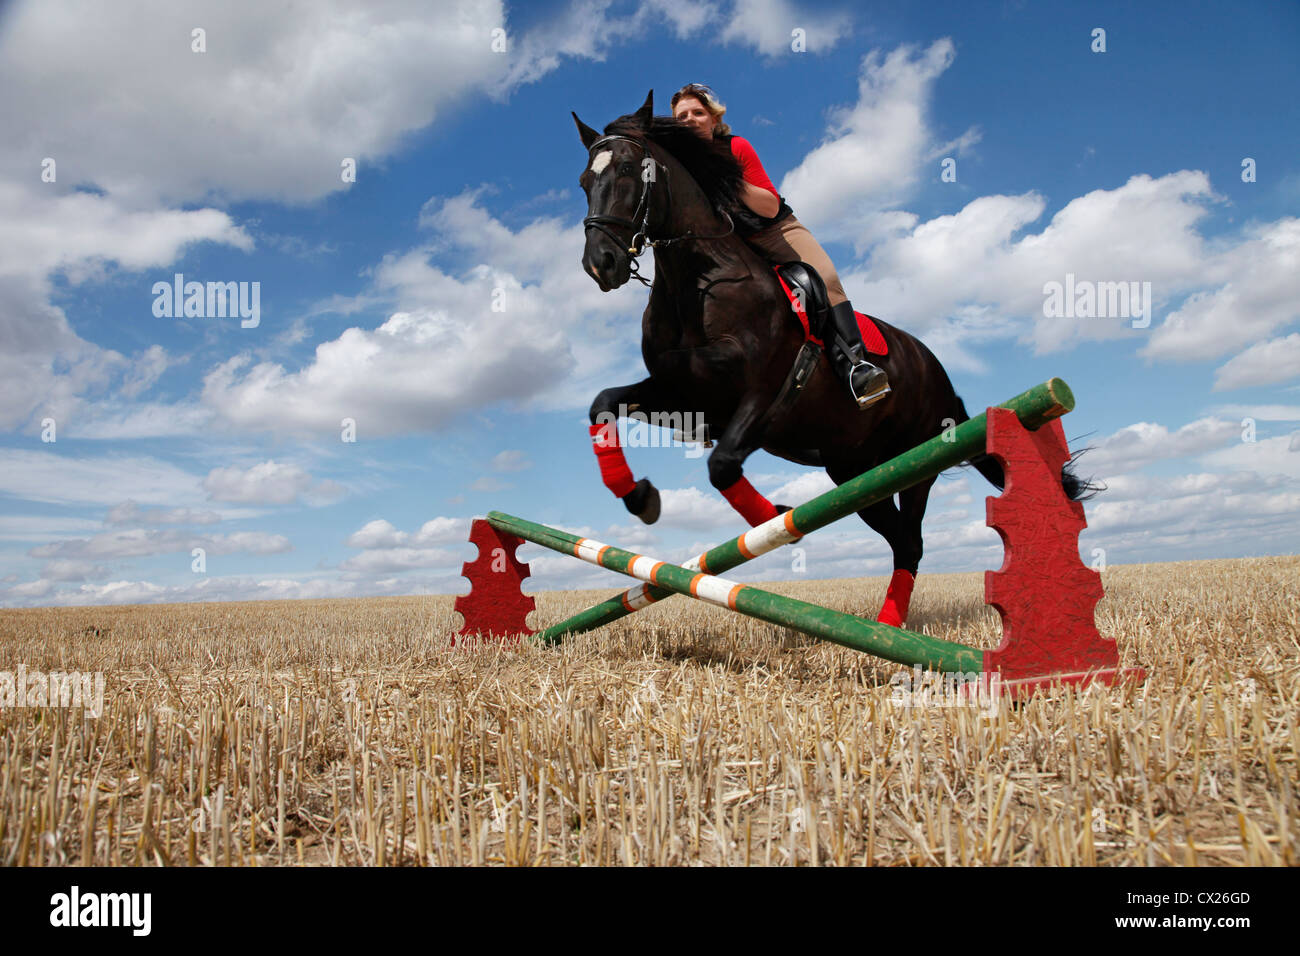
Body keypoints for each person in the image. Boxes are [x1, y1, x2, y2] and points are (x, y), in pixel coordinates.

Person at [670, 83, 889, 408]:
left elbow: (769, 206)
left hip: (775, 231)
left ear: (713, 120)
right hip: (734, 248)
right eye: (681, 116)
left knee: (824, 277)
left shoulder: (736, 147)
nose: (689, 119)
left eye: (697, 113)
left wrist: (723, 177)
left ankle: (857, 368)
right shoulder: (677, 167)